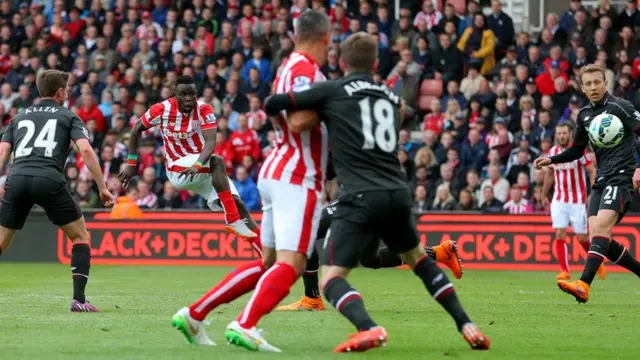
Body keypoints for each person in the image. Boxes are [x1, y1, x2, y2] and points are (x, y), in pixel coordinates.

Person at [264, 32, 490, 353]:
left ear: (340, 62)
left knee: (332, 275)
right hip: (397, 192)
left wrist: (308, 110)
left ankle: (361, 323)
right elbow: (402, 113)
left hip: (359, 195)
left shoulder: (334, 89)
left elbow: (274, 103)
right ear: (374, 63)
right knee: (387, 261)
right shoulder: (387, 93)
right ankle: (466, 323)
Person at [169, 11, 331, 351]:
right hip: (298, 174)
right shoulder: (305, 69)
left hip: (278, 169)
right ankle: (245, 324)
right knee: (293, 263)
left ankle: (195, 314)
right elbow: (300, 120)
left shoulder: (290, 66)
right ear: (325, 39)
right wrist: (339, 103)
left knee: (269, 261)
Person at [0, 69, 115, 312]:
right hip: (48, 179)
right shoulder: (68, 116)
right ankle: (79, 301)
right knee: (80, 236)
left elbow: (2, 155)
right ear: (60, 92)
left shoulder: (18, 118)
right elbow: (85, 151)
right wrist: (102, 187)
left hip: (17, 178)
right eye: (67, 89)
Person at [277, 168, 464, 312]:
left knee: (307, 230)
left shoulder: (341, 135)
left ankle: (312, 298)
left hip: (363, 197)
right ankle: (440, 252)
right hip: (382, 196)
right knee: (370, 259)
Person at [535, 64, 640, 303]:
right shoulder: (583, 115)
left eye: (597, 82)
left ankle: (583, 284)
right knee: (598, 236)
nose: (593, 87)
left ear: (605, 83)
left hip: (622, 175)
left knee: (601, 228)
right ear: (582, 88)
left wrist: (639, 168)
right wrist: (551, 159)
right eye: (588, 84)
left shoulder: (621, 107)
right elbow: (576, 150)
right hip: (601, 180)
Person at [117, 75, 260, 251]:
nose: (188, 98)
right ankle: (231, 219)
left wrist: (198, 165)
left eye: (192, 94)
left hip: (200, 166)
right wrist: (131, 163)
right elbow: (136, 129)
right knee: (218, 161)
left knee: (237, 202)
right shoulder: (162, 110)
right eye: (184, 94)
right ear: (175, 94)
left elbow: (210, 142)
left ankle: (264, 254)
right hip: (178, 169)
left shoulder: (204, 109)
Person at [542, 122, 606, 281]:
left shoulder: (579, 152)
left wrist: (593, 191)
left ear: (570, 134)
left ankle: (597, 262)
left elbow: (591, 170)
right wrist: (544, 194)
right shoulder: (553, 152)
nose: (561, 136)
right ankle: (565, 271)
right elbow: (549, 174)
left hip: (577, 200)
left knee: (582, 238)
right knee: (559, 233)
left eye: (564, 133)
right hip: (559, 199)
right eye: (559, 133)